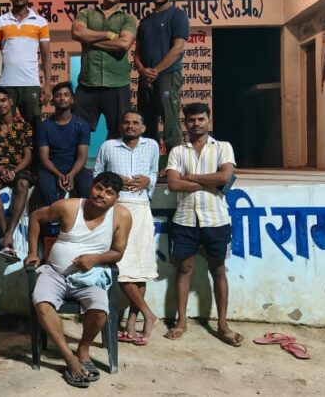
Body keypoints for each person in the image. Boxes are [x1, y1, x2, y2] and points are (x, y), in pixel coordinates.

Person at [23, 172, 131, 388]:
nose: (101, 195)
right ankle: (69, 358)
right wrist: (33, 252)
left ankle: (83, 350)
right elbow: (35, 217)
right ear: (91, 187)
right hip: (55, 273)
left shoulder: (122, 216)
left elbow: (118, 252)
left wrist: (95, 258)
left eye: (109, 193)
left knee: (100, 309)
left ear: (116, 198)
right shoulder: (70, 207)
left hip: (90, 277)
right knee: (42, 303)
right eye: (98, 188)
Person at [164, 102, 240, 346]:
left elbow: (225, 176)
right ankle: (181, 322)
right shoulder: (178, 151)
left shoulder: (223, 147)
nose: (196, 123)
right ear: (185, 123)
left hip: (215, 219)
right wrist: (209, 182)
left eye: (200, 119)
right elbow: (173, 184)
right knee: (184, 269)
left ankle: (223, 323)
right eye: (191, 120)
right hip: (185, 219)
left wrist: (190, 177)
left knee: (218, 270)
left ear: (208, 120)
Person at [93, 111, 160, 345]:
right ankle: (149, 314)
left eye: (135, 123)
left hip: (141, 208)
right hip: (117, 209)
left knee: (140, 269)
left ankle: (132, 323)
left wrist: (148, 181)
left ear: (143, 127)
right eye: (126, 122)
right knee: (121, 267)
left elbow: (154, 172)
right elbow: (96, 174)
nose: (130, 126)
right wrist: (114, 180)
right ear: (121, 125)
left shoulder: (152, 146)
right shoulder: (108, 146)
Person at [71, 0, 138, 140]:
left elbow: (124, 44)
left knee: (119, 132)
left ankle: (113, 159)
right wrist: (108, 34)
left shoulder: (128, 19)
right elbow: (77, 32)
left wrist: (90, 42)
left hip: (117, 83)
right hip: (88, 82)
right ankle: (79, 159)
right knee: (77, 130)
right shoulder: (86, 13)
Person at [0, 0, 51, 128]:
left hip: (31, 84)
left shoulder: (40, 22)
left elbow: (46, 54)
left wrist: (47, 85)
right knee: (3, 128)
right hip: (5, 84)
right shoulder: (0, 22)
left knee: (34, 128)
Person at [134, 0, 189, 151]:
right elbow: (137, 53)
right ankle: (151, 164)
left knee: (170, 123)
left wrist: (155, 71)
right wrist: (142, 70)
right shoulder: (145, 21)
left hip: (167, 75)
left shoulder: (178, 15)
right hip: (146, 78)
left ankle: (175, 165)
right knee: (146, 123)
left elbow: (178, 49)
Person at [0, 87, 33, 262]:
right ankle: (6, 236)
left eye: (3, 100)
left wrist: (14, 171)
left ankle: (8, 235)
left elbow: (28, 156)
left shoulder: (24, 127)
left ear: (10, 102)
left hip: (18, 168)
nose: (0, 105)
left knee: (23, 184)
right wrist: (0, 169)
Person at [37, 82, 92, 206]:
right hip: (51, 169)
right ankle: (54, 216)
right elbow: (44, 158)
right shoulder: (44, 126)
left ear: (72, 100)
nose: (62, 98)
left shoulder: (82, 125)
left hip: (74, 167)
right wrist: (58, 175)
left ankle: (82, 216)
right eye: (58, 95)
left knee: (87, 184)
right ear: (52, 101)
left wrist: (71, 174)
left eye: (66, 95)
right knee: (46, 187)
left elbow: (82, 157)